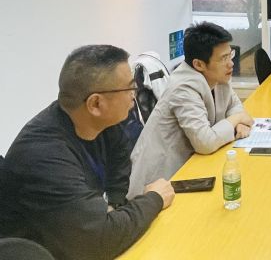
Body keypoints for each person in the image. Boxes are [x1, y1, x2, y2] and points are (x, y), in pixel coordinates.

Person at [0, 45, 175, 260]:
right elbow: (99, 242)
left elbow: (119, 167)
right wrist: (154, 198)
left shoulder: (106, 123)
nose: (134, 94)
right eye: (130, 87)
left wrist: (114, 205)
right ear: (95, 103)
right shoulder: (43, 157)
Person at [128, 22, 254, 197]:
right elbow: (205, 142)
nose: (231, 63)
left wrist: (238, 123)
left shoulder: (218, 75)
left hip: (192, 168)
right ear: (199, 64)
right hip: (160, 181)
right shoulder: (183, 87)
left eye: (230, 55)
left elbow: (234, 105)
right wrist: (236, 119)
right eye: (223, 58)